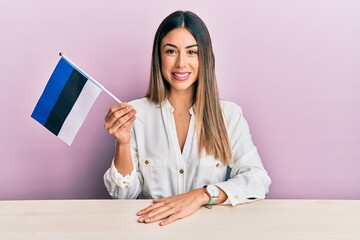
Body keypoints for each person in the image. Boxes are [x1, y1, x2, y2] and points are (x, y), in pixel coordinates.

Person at [103, 10, 271, 226]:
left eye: (192, 52)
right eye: (171, 51)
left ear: (205, 57)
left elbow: (257, 179)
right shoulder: (137, 113)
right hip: (152, 230)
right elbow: (123, 195)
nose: (181, 63)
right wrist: (122, 143)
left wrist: (200, 195)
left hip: (209, 231)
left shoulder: (229, 115)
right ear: (159, 56)